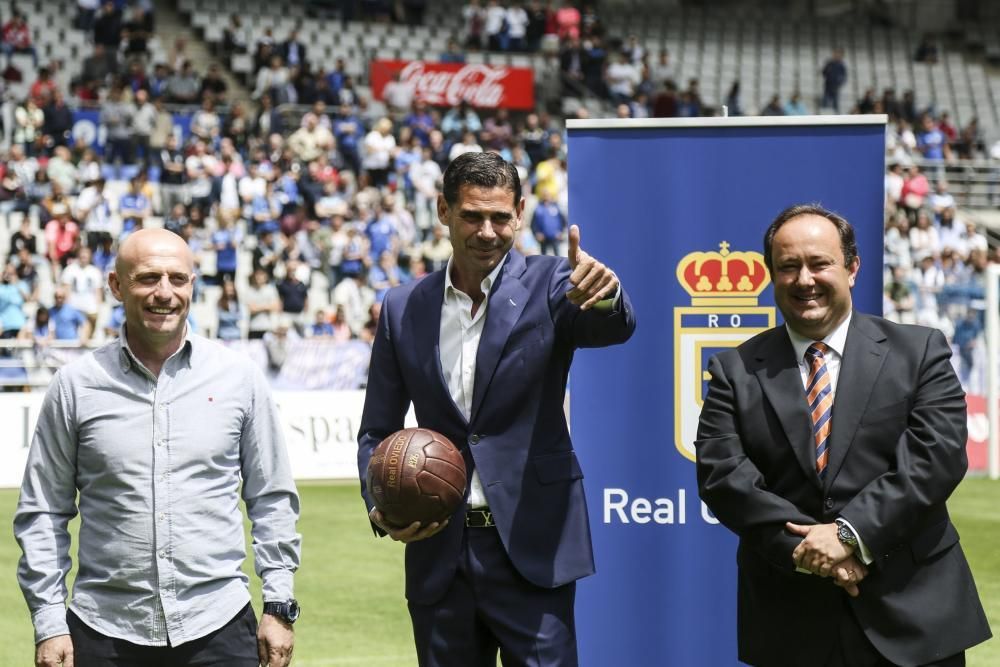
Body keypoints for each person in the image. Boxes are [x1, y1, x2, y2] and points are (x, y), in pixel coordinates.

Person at [357, 152, 636, 666]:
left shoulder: (555, 285)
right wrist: (381, 504)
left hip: (535, 549)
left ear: (521, 213)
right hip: (438, 551)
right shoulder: (402, 307)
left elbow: (612, 326)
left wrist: (605, 295)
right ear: (443, 210)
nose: (487, 232)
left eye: (500, 218)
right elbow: (376, 429)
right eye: (471, 216)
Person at [695, 204, 991, 667]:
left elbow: (935, 460)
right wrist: (809, 550)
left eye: (819, 263)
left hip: (915, 617)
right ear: (771, 276)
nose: (804, 279)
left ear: (852, 268)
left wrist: (851, 535)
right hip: (790, 623)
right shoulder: (733, 371)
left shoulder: (920, 351)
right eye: (788, 266)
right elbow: (722, 478)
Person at [14, 228, 302, 667]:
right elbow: (43, 511)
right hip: (103, 632)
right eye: (147, 278)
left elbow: (271, 498)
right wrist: (49, 621)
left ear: (192, 284)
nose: (163, 293)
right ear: (116, 286)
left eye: (177, 279)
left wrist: (279, 604)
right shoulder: (75, 386)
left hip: (219, 627)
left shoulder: (238, 378)